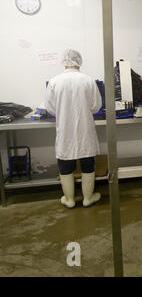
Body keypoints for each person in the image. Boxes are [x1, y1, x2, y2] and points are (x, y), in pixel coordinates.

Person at [45, 49, 103, 209]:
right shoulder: (88, 80)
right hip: (85, 130)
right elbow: (96, 106)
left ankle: (69, 199)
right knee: (87, 165)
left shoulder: (54, 82)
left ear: (64, 62)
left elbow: (50, 108)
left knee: (65, 167)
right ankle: (88, 198)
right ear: (80, 61)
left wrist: (64, 111)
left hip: (65, 131)